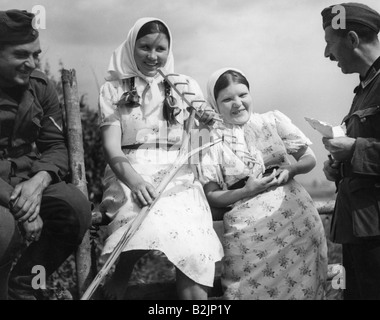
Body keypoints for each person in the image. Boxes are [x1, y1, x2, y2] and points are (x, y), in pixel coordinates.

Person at [97, 17, 223, 300]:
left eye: (160, 49)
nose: (153, 57)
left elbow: (197, 148)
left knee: (194, 245)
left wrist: (205, 126)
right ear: (132, 47)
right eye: (145, 47)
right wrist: (135, 181)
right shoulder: (113, 89)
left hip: (178, 171)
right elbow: (111, 149)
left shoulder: (185, 86)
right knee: (142, 220)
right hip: (130, 169)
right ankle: (119, 277)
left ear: (169, 50)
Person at [197, 68, 328, 300]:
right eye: (227, 99)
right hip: (248, 236)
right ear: (215, 104)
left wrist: (291, 169)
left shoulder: (272, 121)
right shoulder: (212, 141)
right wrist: (246, 191)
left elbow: (310, 159)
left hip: (297, 224)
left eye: (243, 95)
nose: (237, 103)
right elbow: (213, 195)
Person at [0, 9, 92, 300]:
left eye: (36, 55)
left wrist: (38, 182)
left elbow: (54, 146)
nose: (31, 63)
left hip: (25, 179)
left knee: (75, 208)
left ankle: (24, 285)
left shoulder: (40, 87)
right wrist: (19, 205)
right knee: (3, 230)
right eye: (20, 55)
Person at [321, 3, 380, 300]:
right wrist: (337, 166)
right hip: (358, 229)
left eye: (330, 43)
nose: (327, 54)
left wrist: (354, 148)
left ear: (353, 40)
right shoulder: (364, 89)